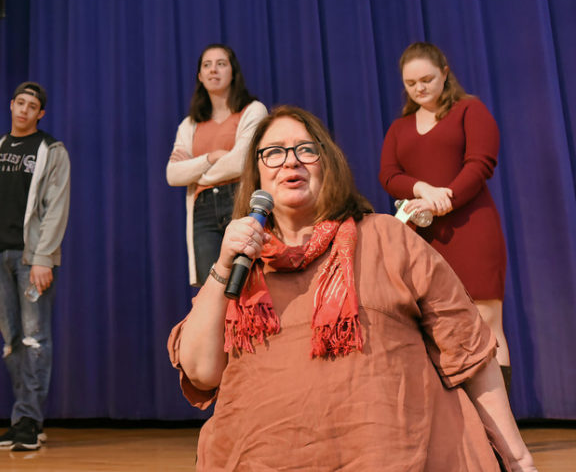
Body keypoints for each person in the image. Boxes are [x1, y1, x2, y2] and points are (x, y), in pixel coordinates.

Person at [168, 105, 536, 471]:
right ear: (257, 175)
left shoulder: (386, 237)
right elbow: (201, 371)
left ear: (328, 164)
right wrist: (222, 266)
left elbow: (469, 352)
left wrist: (519, 460)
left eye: (305, 150)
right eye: (274, 152)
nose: (290, 162)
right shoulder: (240, 263)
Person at [380, 42, 513, 390]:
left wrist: (446, 199)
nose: (420, 88)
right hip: (424, 237)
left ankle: (501, 437)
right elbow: (389, 175)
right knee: (438, 328)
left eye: (427, 79)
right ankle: (463, 430)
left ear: (445, 73)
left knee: (485, 321)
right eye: (411, 83)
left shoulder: (470, 110)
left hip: (471, 229)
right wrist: (422, 189)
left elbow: (480, 163)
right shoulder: (400, 127)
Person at [0, 82, 70, 451]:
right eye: (20, 103)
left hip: (31, 260)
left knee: (35, 338)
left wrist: (43, 258)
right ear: (11, 105)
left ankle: (27, 419)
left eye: (33, 106)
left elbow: (56, 208)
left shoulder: (52, 150)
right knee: (12, 342)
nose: (24, 110)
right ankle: (27, 418)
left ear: (40, 113)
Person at [166, 44, 267, 286]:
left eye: (221, 64)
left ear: (233, 72)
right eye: (207, 65)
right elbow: (173, 175)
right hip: (203, 210)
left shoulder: (253, 111)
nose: (214, 70)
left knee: (249, 283)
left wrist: (196, 174)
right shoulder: (189, 125)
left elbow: (242, 163)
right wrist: (210, 158)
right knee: (212, 288)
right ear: (200, 76)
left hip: (240, 200)